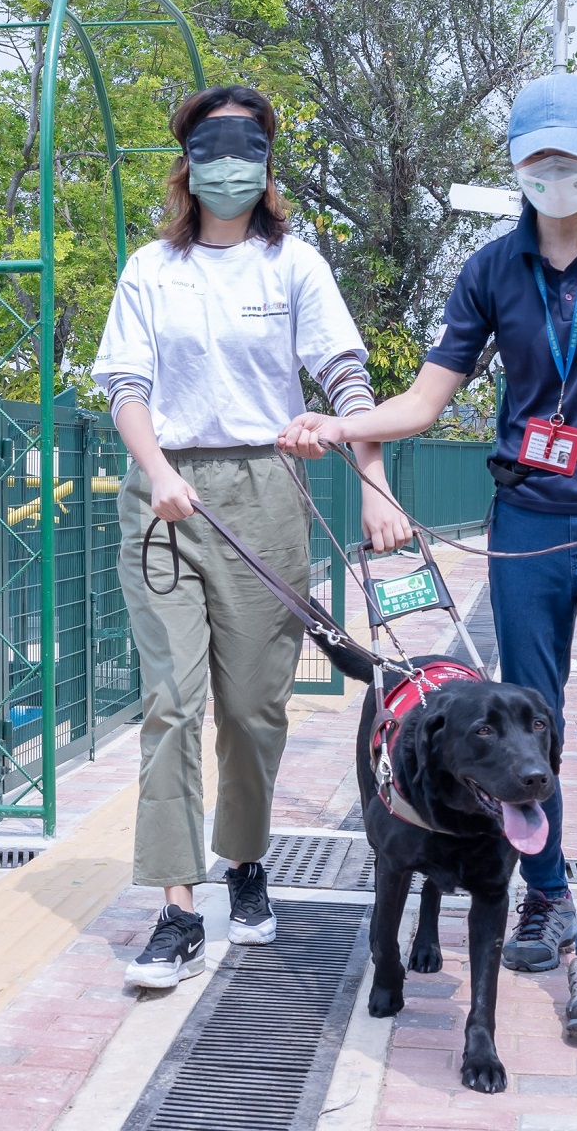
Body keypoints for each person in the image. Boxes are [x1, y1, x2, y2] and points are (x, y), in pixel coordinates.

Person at [280, 71, 577, 1040]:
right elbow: (425, 402)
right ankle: (541, 893)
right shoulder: (490, 269)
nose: (557, 172)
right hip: (529, 532)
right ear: (516, 164)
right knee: (521, 738)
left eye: (573, 154)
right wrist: (334, 431)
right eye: (538, 157)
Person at [95, 85, 411, 990]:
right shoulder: (150, 269)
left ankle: (245, 861)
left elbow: (346, 378)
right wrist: (158, 474)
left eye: (246, 151)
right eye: (211, 150)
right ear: (187, 165)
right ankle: (176, 907)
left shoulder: (294, 266)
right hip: (166, 495)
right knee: (172, 703)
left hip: (268, 495)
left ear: (266, 166)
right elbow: (125, 387)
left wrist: (372, 486)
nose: (228, 168)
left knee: (252, 709)